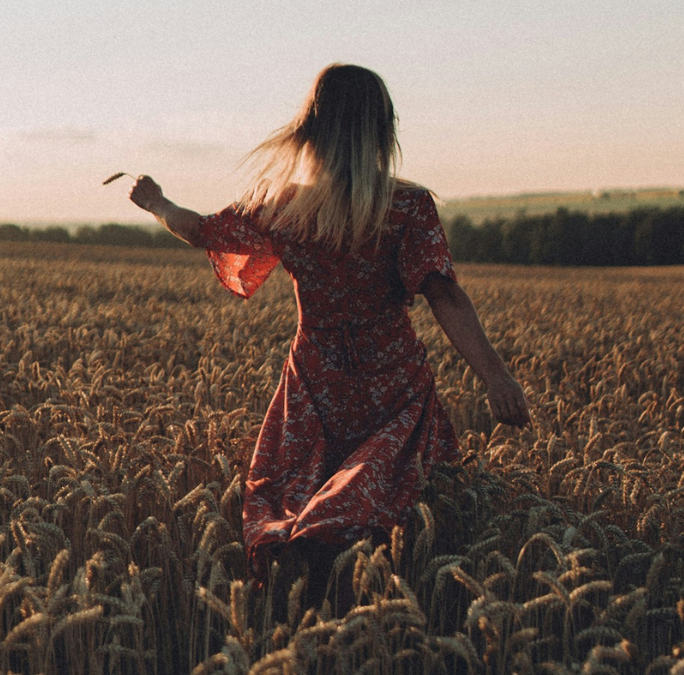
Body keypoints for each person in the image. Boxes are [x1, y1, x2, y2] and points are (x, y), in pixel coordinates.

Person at [127, 64, 529, 596]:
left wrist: (156, 203)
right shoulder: (407, 207)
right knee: (392, 517)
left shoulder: (284, 208)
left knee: (293, 505)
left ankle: (300, 607)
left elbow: (201, 231)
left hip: (314, 387)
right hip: (393, 390)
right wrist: (497, 378)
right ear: (382, 129)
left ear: (311, 129)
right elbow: (444, 295)